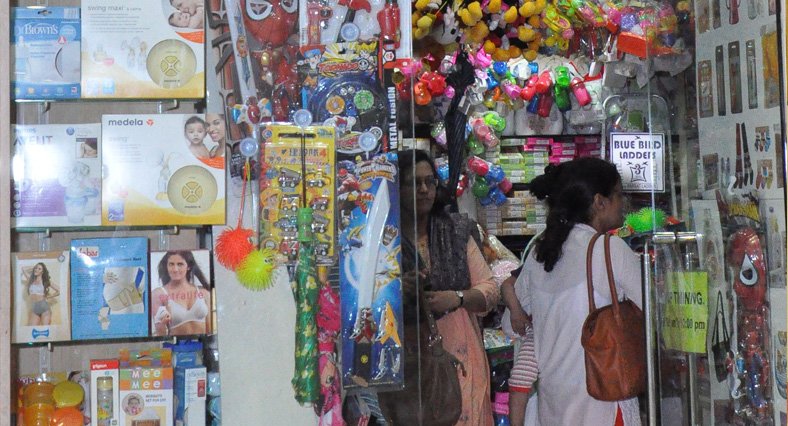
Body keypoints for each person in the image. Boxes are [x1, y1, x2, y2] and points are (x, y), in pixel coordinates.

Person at [517, 157, 642, 425]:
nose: (623, 203)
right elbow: (653, 312)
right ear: (599, 202)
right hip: (602, 403)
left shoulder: (539, 256)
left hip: (553, 407)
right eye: (618, 195)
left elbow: (511, 323)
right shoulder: (609, 250)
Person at [395, 149, 499, 425]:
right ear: (397, 189)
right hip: (410, 356)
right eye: (414, 183)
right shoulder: (383, 239)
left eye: (430, 182)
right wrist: (396, 290)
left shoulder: (456, 230)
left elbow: (490, 290)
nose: (424, 190)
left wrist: (457, 298)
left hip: (460, 347)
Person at [151, 251, 211, 336]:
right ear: (166, 267)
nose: (175, 269)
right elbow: (160, 333)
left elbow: (210, 330)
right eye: (171, 264)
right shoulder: (158, 294)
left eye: (180, 264)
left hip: (202, 343)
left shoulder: (203, 292)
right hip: (175, 344)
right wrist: (163, 323)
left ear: (188, 266)